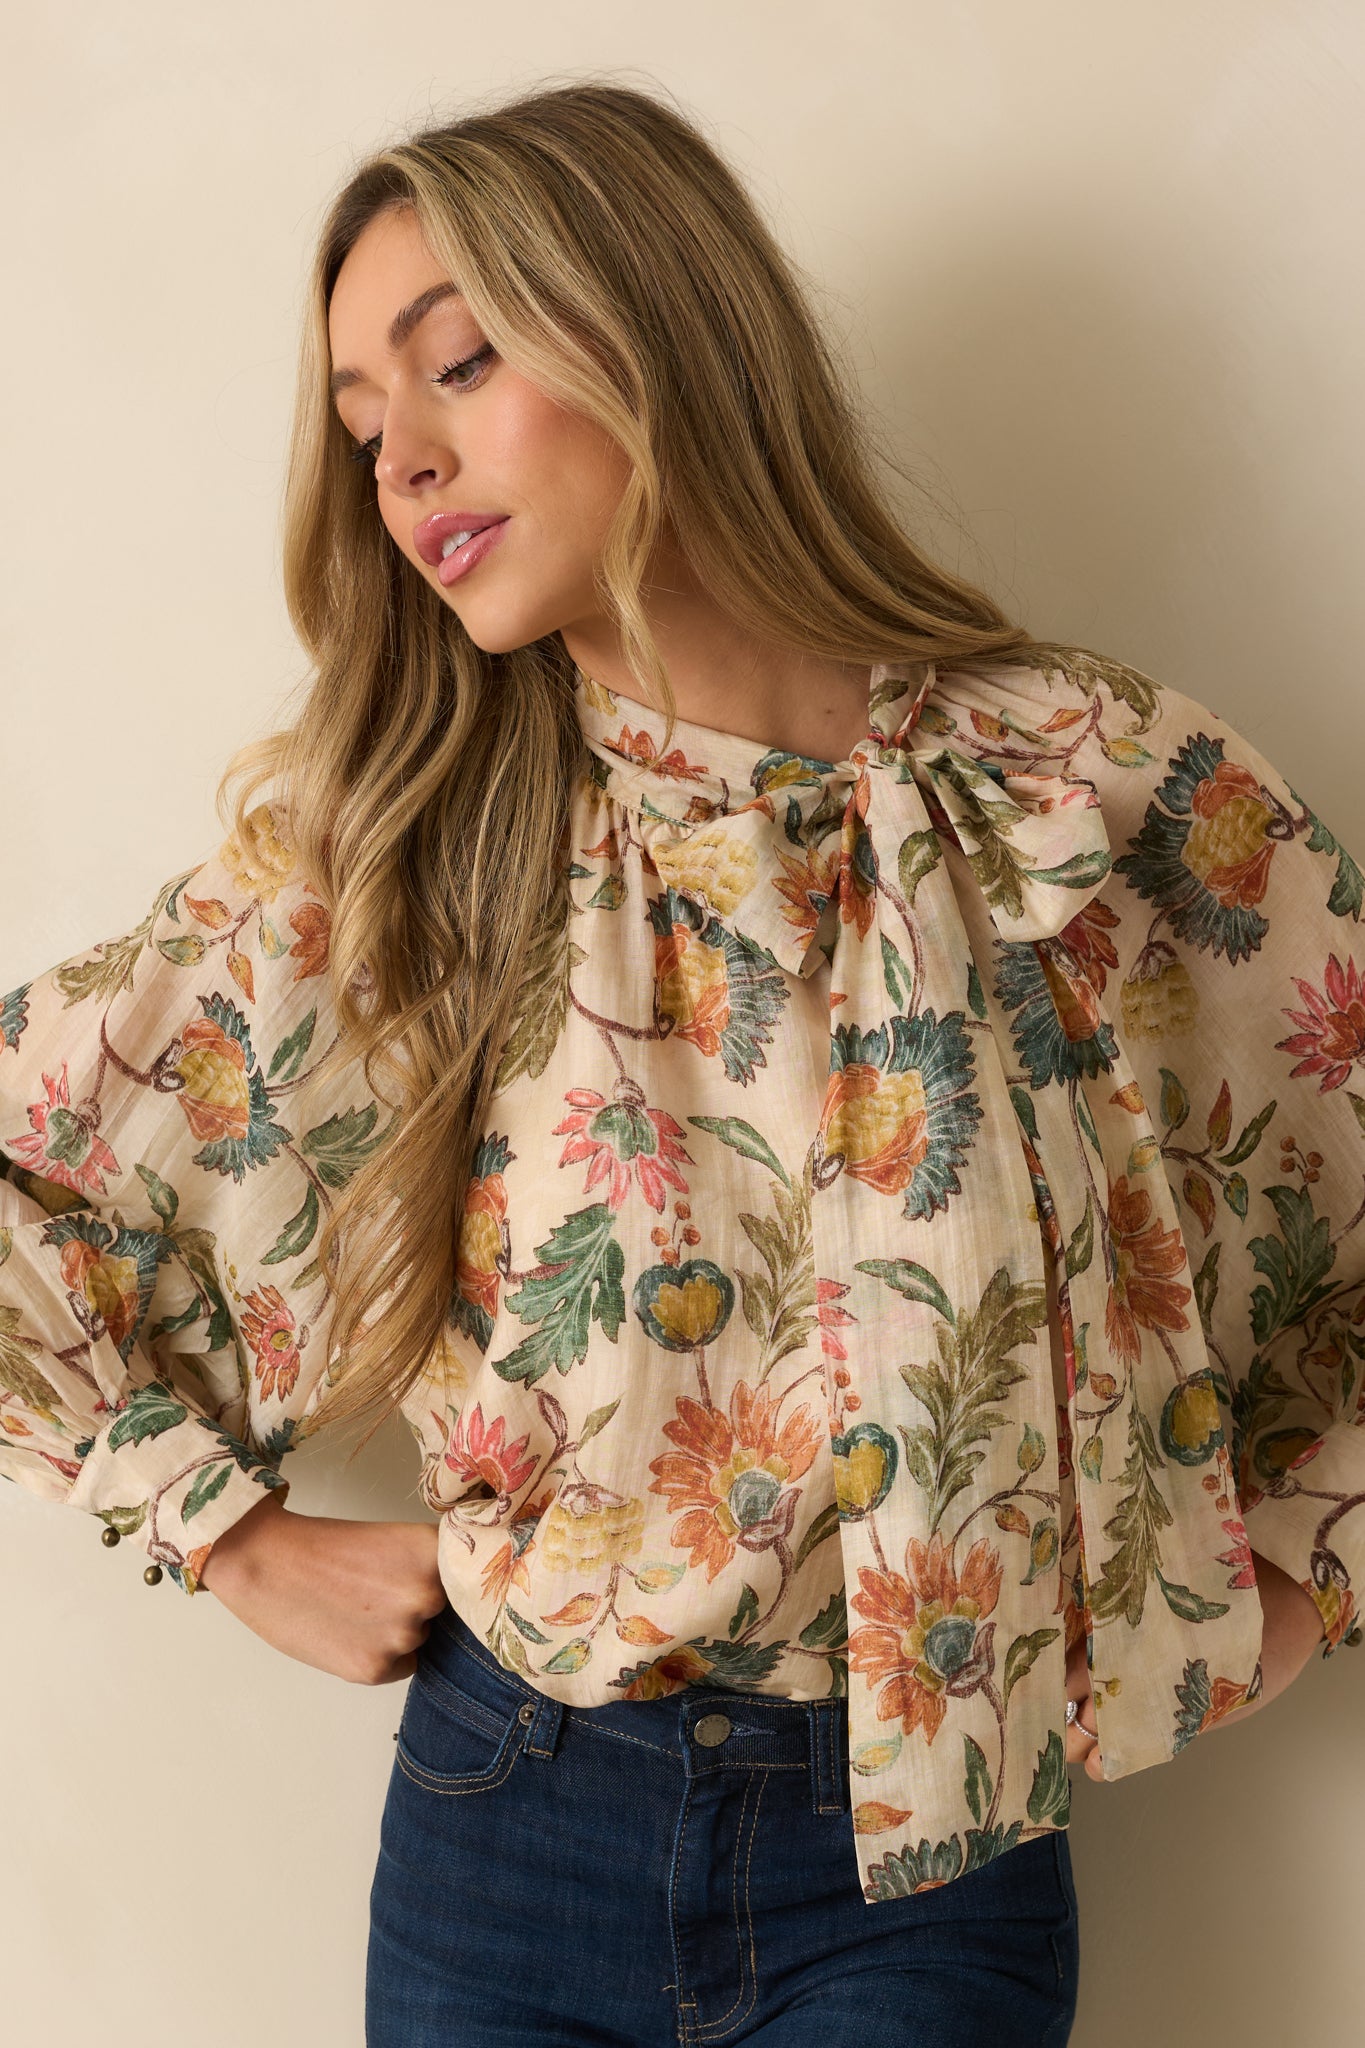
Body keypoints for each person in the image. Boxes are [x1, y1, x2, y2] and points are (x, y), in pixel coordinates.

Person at [2, 78, 1359, 2048]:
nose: (404, 461)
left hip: (921, 1850)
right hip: (504, 1823)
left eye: (456, 362)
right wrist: (230, 1536)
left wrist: (1296, 1582)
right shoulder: (404, 838)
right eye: (368, 422)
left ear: (651, 322)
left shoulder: (1081, 785)